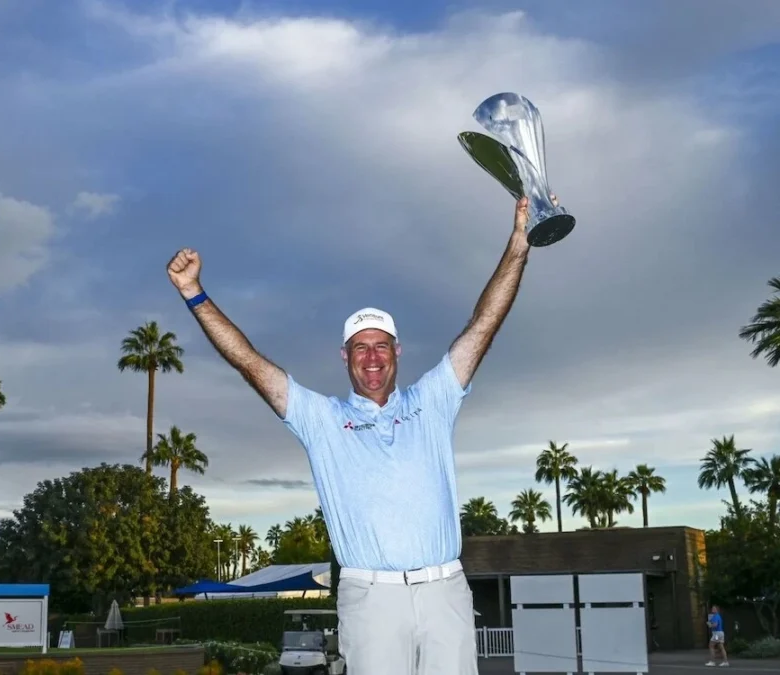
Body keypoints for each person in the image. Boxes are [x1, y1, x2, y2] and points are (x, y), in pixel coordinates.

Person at [167, 195, 546, 674]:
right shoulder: (320, 419)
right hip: (371, 600)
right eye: (360, 348)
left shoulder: (433, 401)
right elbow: (250, 362)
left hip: (445, 589)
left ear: (398, 352)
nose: (371, 357)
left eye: (381, 346)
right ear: (344, 357)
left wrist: (519, 243)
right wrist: (194, 294)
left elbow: (483, 323)